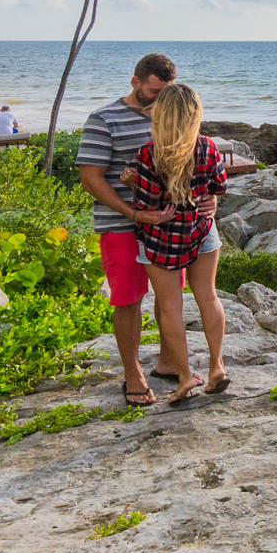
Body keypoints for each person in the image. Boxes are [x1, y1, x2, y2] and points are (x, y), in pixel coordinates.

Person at [75, 53, 176, 406]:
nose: (159, 98)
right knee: (128, 298)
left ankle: (169, 362)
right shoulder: (103, 119)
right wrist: (132, 213)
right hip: (121, 224)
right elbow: (91, 178)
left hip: (167, 225)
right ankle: (133, 373)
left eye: (166, 92)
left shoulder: (170, 116)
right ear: (135, 83)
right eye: (153, 91)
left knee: (170, 297)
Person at [128, 82, 228, 402]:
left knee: (171, 307)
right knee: (208, 298)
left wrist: (131, 181)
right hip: (200, 231)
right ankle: (216, 367)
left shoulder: (148, 153)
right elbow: (219, 185)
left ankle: (184, 377)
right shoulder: (208, 146)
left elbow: (146, 205)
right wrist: (208, 197)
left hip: (162, 240)